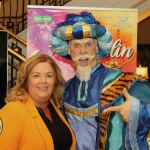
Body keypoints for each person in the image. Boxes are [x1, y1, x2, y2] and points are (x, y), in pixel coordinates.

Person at [51, 12, 150, 150]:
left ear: (97, 48)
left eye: (88, 44)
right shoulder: (64, 90)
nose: (82, 51)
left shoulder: (125, 82)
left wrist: (139, 111)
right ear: (69, 50)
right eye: (76, 45)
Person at [0, 54, 76, 150]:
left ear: (55, 80)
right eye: (36, 76)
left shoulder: (54, 107)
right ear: (26, 81)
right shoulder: (12, 111)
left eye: (49, 75)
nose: (43, 80)